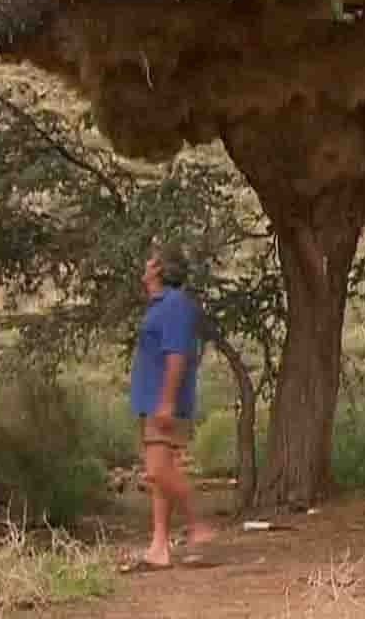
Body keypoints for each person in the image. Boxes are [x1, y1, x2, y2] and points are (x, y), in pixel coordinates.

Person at [125, 238, 215, 571]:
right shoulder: (162, 304)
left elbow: (177, 356)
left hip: (164, 403)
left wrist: (165, 402)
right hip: (154, 400)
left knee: (157, 470)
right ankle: (159, 547)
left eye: (150, 260)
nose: (145, 265)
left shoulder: (174, 304)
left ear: (159, 269)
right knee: (161, 476)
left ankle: (198, 524)